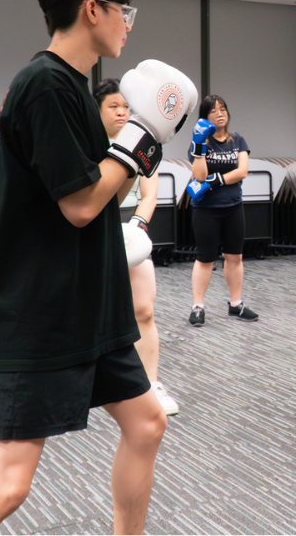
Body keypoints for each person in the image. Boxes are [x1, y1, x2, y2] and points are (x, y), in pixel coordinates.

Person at [0, 0, 189, 536]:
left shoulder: (75, 85)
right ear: (91, 8)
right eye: (124, 10)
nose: (129, 23)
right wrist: (142, 140)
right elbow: (80, 205)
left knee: (148, 422)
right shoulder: (44, 84)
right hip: (39, 311)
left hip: (87, 306)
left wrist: (135, 144)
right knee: (6, 485)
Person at [97, 79, 177, 415]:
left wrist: (137, 228)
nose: (121, 112)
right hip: (94, 230)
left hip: (132, 232)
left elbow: (150, 195)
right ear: (98, 110)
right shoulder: (89, 145)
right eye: (113, 106)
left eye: (125, 106)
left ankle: (151, 384)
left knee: (143, 310)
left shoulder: (143, 144)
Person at [184, 93, 256, 324]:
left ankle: (236, 305)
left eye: (223, 108)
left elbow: (242, 171)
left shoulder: (238, 140)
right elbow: (199, 174)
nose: (220, 113)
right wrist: (199, 145)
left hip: (233, 206)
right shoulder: (200, 143)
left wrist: (214, 182)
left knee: (234, 257)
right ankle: (197, 307)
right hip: (206, 209)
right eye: (213, 110)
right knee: (205, 258)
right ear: (205, 116)